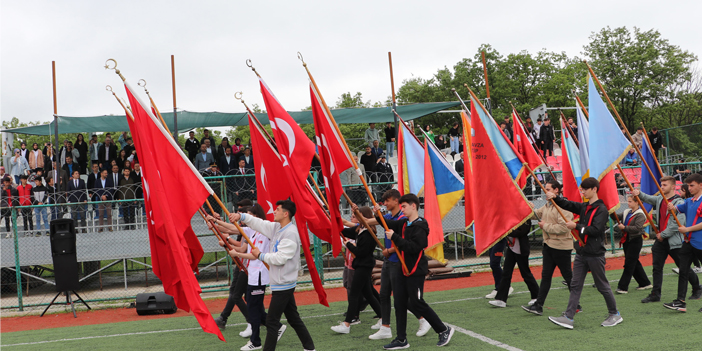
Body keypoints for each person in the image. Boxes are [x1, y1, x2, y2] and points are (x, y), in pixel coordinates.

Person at [222, 200, 317, 351]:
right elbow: (258, 223)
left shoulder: (290, 233)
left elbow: (280, 258)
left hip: (284, 284)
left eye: (277, 209)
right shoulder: (277, 227)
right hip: (281, 282)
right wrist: (241, 216)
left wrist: (260, 255)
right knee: (293, 318)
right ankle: (310, 348)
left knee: (272, 321)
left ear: (286, 214)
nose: (274, 211)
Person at [366, 194, 454, 349]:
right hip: (403, 269)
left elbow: (414, 247)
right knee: (399, 302)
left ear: (414, 206)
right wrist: (377, 213)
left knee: (417, 302)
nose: (402, 209)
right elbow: (387, 222)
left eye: (404, 206)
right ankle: (401, 339)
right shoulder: (404, 223)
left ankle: (443, 329)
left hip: (415, 270)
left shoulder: (421, 225)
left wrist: (395, 237)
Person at [548, 177, 622, 329]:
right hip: (581, 252)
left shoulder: (601, 209)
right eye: (581, 189)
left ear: (594, 189)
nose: (582, 192)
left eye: (585, 189)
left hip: (595, 254)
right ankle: (568, 317)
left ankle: (615, 314)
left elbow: (596, 230)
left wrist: (576, 226)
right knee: (575, 285)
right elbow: (567, 204)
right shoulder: (584, 207)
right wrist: (555, 197)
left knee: (602, 286)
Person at [367, 189, 431, 341]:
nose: (385, 203)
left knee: (404, 299)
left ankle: (424, 319)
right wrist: (374, 214)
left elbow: (410, 245)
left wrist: (389, 249)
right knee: (384, 294)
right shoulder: (392, 217)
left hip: (399, 261)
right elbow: (381, 222)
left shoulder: (407, 220)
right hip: (389, 260)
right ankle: (386, 326)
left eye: (388, 201)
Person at [635, 177, 701, 303]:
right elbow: (649, 198)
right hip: (661, 241)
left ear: (672, 187)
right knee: (657, 267)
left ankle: (697, 288)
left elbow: (678, 224)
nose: (662, 187)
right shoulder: (660, 198)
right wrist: (639, 194)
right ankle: (655, 294)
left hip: (674, 241)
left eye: (664, 185)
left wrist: (663, 234)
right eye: (661, 184)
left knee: (683, 268)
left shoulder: (679, 202)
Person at [220, 204, 271, 351]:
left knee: (254, 309)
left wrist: (238, 255)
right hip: (252, 275)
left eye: (250, 215)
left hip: (260, 275)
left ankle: (256, 340)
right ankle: (273, 329)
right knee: (254, 307)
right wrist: (214, 222)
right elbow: (231, 228)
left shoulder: (263, 232)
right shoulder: (251, 231)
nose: (247, 218)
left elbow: (256, 255)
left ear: (257, 217)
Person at [522, 180, 575, 315]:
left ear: (556, 190)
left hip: (561, 246)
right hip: (549, 245)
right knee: (546, 276)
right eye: (545, 189)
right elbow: (536, 214)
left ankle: (576, 304)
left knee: (568, 276)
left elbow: (564, 227)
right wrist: (528, 207)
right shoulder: (548, 205)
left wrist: (545, 226)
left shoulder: (564, 207)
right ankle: (538, 305)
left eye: (548, 189)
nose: (546, 191)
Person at [331, 206, 383, 335]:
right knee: (369, 294)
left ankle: (347, 323)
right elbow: (345, 231)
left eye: (356, 215)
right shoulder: (360, 229)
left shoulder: (369, 234)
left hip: (364, 265)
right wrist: (334, 222)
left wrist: (348, 244)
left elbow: (361, 253)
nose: (354, 218)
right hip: (361, 265)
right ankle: (383, 317)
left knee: (354, 293)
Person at [212, 199, 253, 335]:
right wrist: (213, 223)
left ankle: (253, 320)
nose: (236, 215)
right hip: (242, 264)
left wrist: (227, 240)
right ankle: (224, 318)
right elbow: (228, 229)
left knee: (240, 295)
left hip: (247, 266)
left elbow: (241, 247)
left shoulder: (250, 227)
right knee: (236, 293)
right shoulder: (244, 227)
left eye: (240, 212)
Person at [664, 173, 702, 312]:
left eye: (692, 185)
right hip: (688, 242)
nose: (689, 188)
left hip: (700, 242)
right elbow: (677, 208)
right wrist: (671, 207)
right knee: (683, 271)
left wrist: (687, 229)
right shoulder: (689, 201)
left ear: (700, 185)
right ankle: (680, 301)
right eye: (688, 185)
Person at [488, 220, 540, 308]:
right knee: (506, 273)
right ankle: (501, 299)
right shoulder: (511, 216)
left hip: (521, 249)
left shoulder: (525, 217)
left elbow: (522, 231)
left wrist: (507, 231)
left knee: (525, 273)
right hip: (511, 248)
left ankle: (537, 296)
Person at [612, 195, 652, 294]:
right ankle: (645, 283)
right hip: (627, 240)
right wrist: (611, 210)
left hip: (635, 240)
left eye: (630, 201)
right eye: (628, 201)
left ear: (637, 202)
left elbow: (638, 228)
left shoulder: (640, 214)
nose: (628, 203)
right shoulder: (627, 212)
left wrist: (624, 228)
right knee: (634, 262)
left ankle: (622, 287)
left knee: (629, 263)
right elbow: (616, 217)